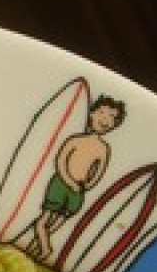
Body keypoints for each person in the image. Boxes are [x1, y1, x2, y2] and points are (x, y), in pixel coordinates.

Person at [27, 95, 127, 261]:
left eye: (111, 117)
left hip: (78, 191)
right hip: (59, 185)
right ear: (92, 113)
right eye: (102, 112)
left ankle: (33, 250)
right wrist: (68, 180)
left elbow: (99, 172)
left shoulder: (104, 149)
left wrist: (86, 186)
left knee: (57, 224)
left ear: (115, 123)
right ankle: (45, 250)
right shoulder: (75, 140)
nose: (105, 119)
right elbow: (61, 161)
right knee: (42, 222)